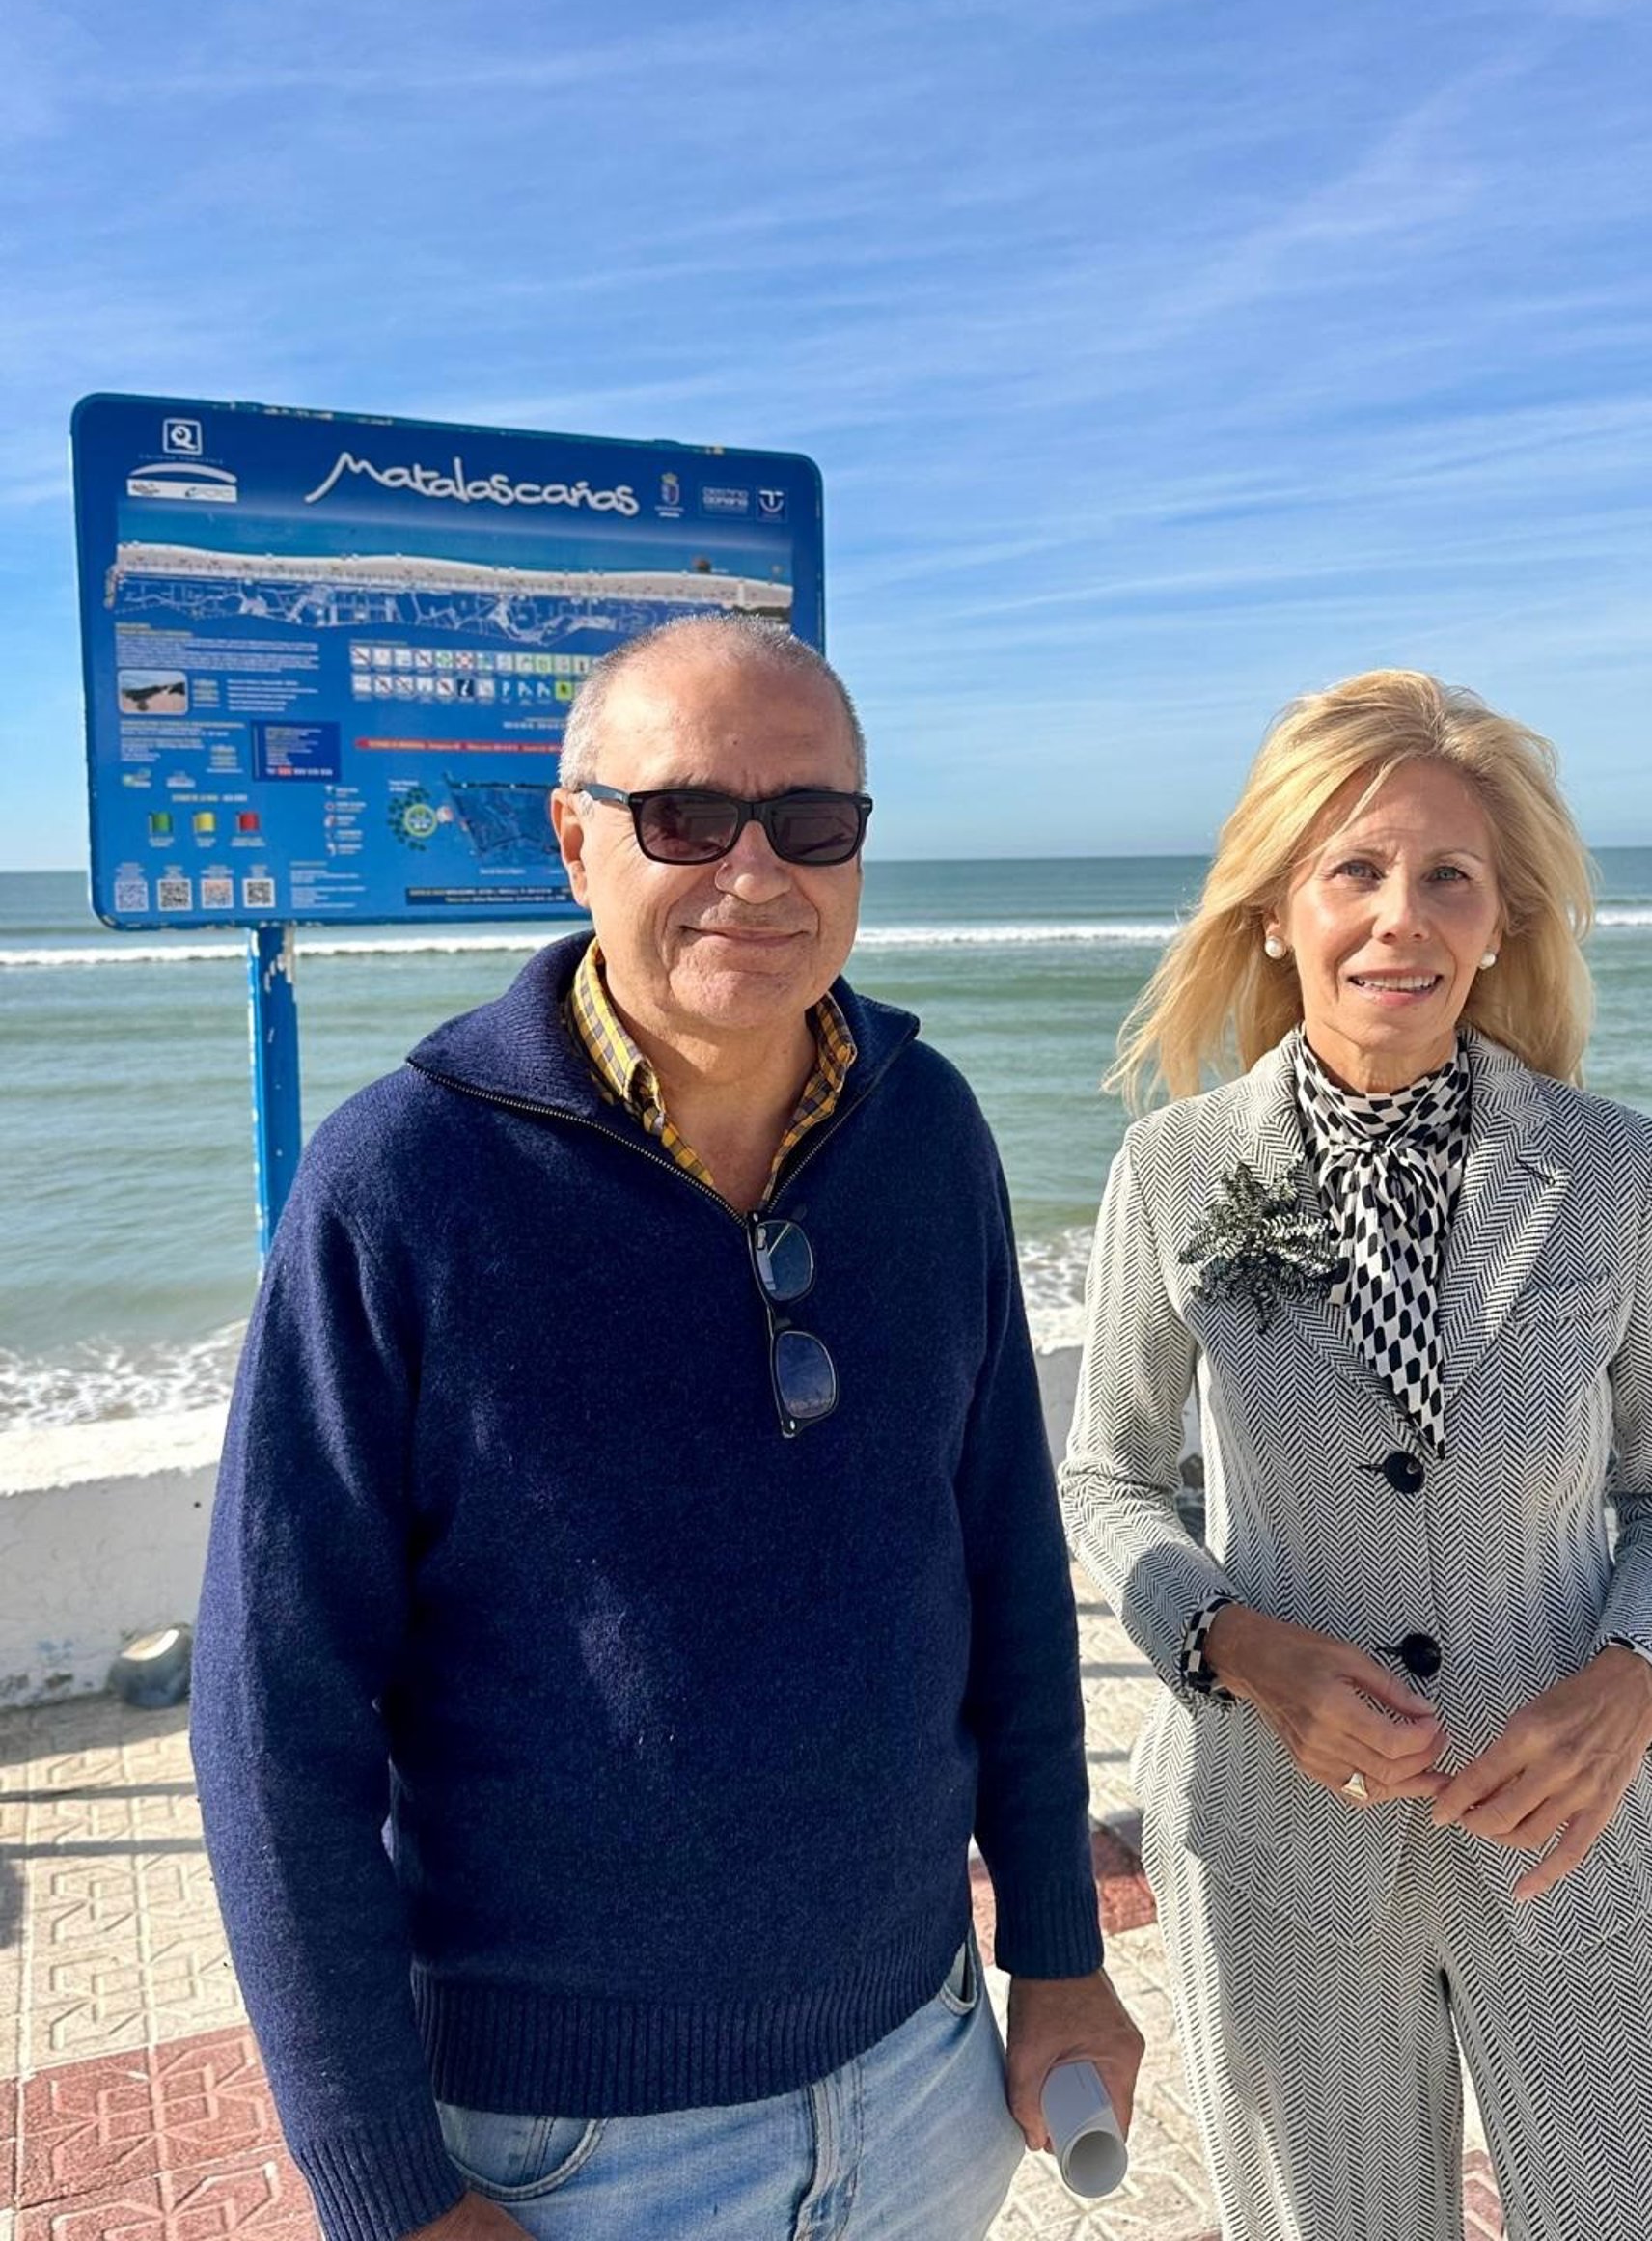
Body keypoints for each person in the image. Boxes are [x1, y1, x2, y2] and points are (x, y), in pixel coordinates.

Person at [192, 614, 1141, 2241]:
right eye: (687, 817)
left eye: (810, 821)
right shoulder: (402, 1185)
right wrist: (391, 2192)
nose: (754, 873)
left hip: (925, 2077)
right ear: (575, 841)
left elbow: (1001, 1557)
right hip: (567, 2153)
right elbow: (274, 1717)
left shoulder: (927, 1130)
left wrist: (1056, 1945)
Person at [1059, 669, 1652, 2241]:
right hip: (1279, 1857)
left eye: (1449, 877)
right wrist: (1233, 1647)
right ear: (1276, 912)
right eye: (1352, 871)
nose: (1400, 918)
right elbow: (1109, 1477)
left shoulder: (1612, 1166)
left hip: (1579, 1838)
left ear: (1500, 923)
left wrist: (1636, 1679)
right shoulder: (1173, 1170)